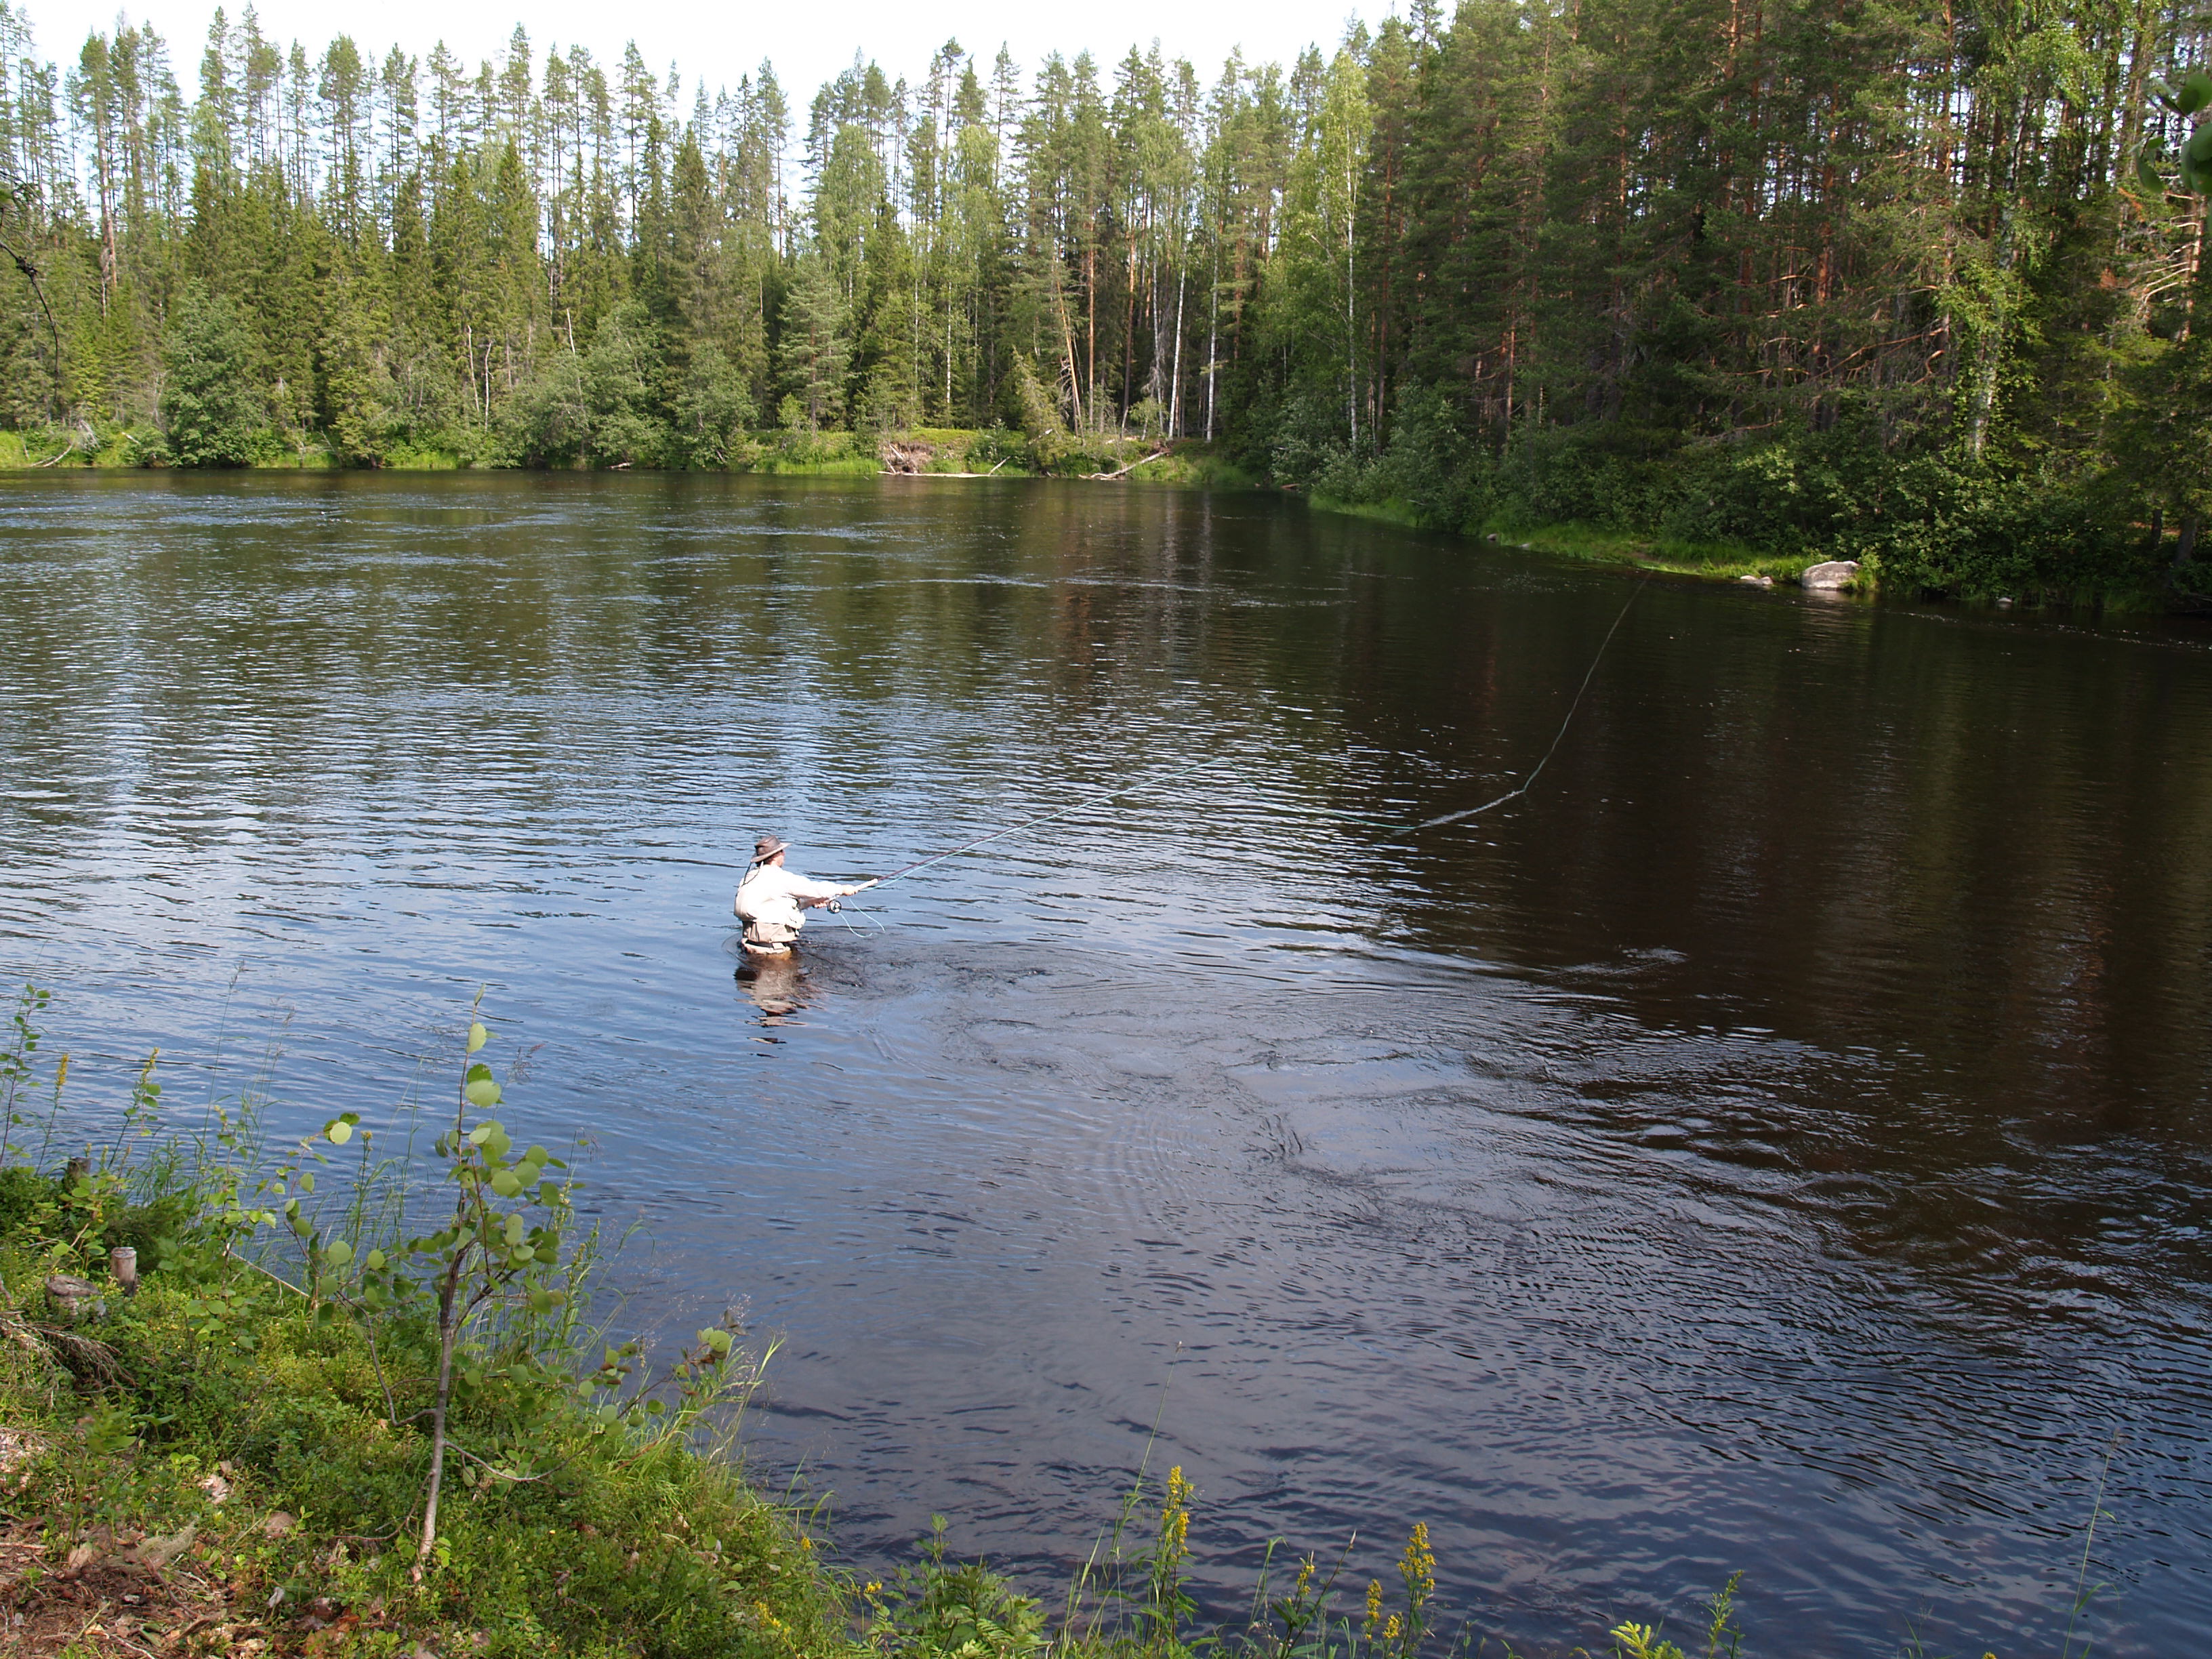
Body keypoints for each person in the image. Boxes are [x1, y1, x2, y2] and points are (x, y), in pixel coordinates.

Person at [734, 836, 864, 956]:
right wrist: (843, 889)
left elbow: (772, 904)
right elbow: (816, 889)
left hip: (749, 945)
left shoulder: (750, 877)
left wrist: (810, 902)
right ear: (775, 856)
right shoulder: (780, 877)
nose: (784, 854)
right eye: (781, 852)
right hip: (773, 949)